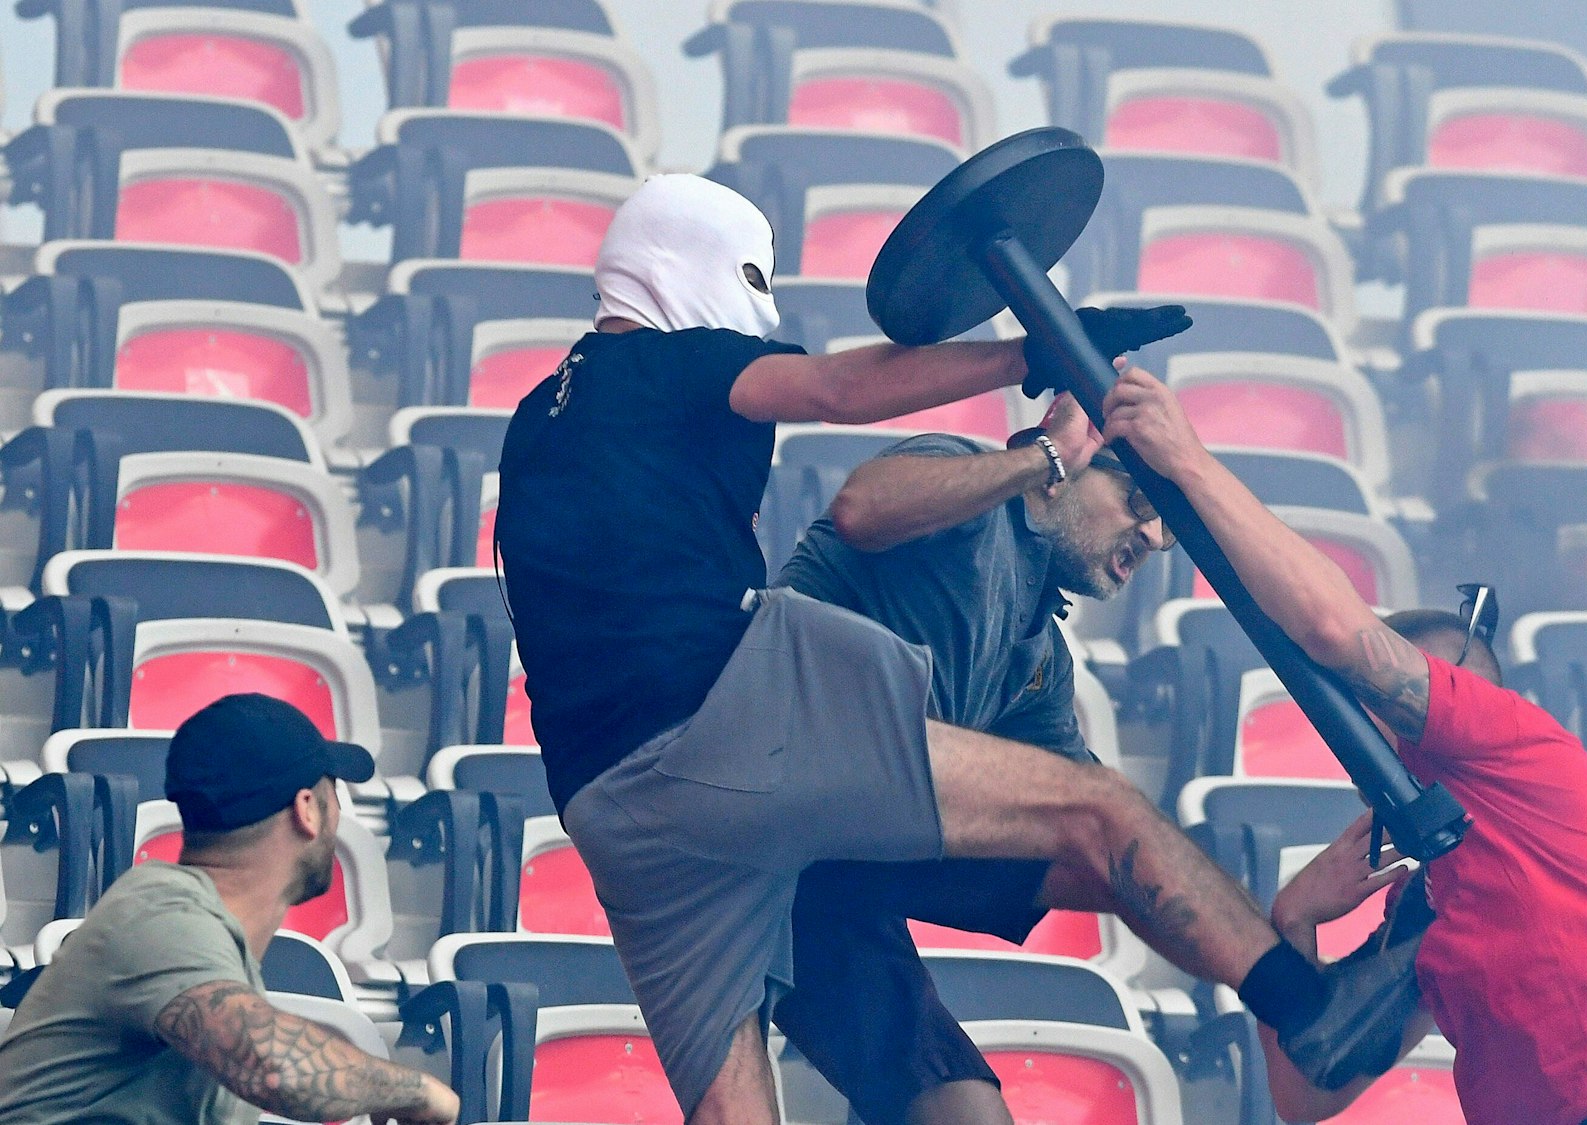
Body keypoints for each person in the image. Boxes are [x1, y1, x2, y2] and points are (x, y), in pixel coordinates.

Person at [496, 173, 1414, 1123]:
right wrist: (1037, 351)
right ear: (678, 262)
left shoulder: (539, 418)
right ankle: (1311, 1014)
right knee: (1102, 807)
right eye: (754, 281)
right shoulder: (663, 364)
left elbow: (1111, 859)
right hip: (728, 728)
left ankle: (1298, 985)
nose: (763, 314)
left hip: (614, 808)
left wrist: (1280, 913)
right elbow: (837, 392)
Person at [1097, 364, 1587, 1125]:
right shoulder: (1429, 903)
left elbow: (1333, 630)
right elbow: (1310, 1089)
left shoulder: (1509, 739)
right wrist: (1292, 921)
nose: (1352, 727)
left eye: (1370, 699)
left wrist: (1188, 462)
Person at [770, 392, 1171, 1124]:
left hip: (830, 881)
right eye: (1137, 499)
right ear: (1069, 467)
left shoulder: (1042, 656)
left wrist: (1257, 930)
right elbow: (861, 506)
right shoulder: (968, 481)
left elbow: (1090, 828)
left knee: (966, 1110)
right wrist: (1041, 457)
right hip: (753, 805)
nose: (1153, 535)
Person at [0, 693, 459, 1125]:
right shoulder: (162, 912)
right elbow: (274, 1068)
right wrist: (415, 1089)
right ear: (307, 810)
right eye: (333, 791)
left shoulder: (200, 943)